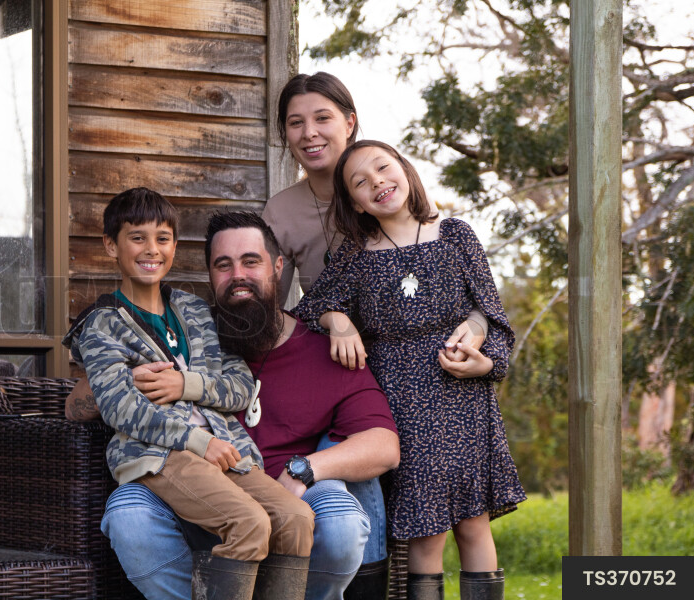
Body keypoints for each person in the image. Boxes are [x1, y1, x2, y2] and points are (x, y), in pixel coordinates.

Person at [67, 211, 401, 600]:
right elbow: (77, 406)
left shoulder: (324, 349)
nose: (237, 275)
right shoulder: (190, 333)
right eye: (223, 265)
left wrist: (304, 470)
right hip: (180, 492)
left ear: (278, 267)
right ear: (210, 274)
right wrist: (128, 375)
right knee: (128, 512)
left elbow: (384, 445)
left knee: (339, 519)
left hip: (278, 489)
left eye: (251, 261)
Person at [294, 140, 527, 600]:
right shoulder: (358, 254)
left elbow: (493, 315)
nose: (377, 182)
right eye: (361, 182)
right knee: (427, 532)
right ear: (354, 203)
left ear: (404, 168)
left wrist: (483, 359)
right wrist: (338, 321)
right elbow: (311, 307)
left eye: (383, 168)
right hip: (403, 406)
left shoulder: (456, 235)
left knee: (474, 525)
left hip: (464, 402)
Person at [62, 188, 315, 600]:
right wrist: (198, 440)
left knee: (296, 517)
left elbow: (240, 387)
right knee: (248, 523)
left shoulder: (194, 311)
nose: (152, 249)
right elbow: (118, 407)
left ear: (175, 246)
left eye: (162, 238)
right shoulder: (102, 324)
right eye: (137, 237)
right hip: (161, 452)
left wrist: (188, 385)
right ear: (112, 245)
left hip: (225, 447)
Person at [263, 71, 488, 364]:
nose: (309, 133)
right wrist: (334, 320)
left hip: (420, 360)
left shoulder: (391, 189)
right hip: (334, 357)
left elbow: (457, 292)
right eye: (296, 123)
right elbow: (273, 312)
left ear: (349, 123)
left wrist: (475, 335)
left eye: (322, 118)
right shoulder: (280, 212)